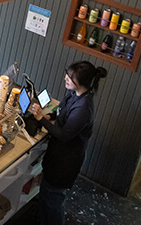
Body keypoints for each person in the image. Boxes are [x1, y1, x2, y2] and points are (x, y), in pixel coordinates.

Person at [30, 61, 107, 225]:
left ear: (82, 83)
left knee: (53, 201)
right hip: (56, 157)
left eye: (70, 78)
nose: (66, 78)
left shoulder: (83, 108)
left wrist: (40, 118)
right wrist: (49, 117)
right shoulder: (74, 94)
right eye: (67, 74)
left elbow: (64, 135)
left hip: (65, 163)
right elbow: (61, 112)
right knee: (46, 194)